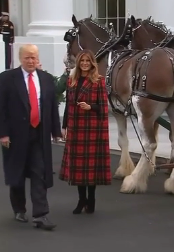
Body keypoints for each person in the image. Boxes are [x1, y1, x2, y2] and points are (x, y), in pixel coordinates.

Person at [0, 44, 62, 230]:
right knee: (17, 173)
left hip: (38, 133)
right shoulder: (7, 78)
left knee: (39, 172)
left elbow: (51, 106)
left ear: (38, 58)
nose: (31, 61)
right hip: (14, 135)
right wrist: (3, 133)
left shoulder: (46, 79)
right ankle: (19, 209)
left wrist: (56, 131)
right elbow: (1, 108)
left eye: (34, 57)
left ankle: (40, 215)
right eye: (27, 57)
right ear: (20, 58)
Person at [59, 49, 111, 215]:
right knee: (79, 166)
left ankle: (92, 199)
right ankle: (81, 200)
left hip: (92, 128)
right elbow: (68, 105)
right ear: (78, 62)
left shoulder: (98, 81)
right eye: (82, 61)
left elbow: (103, 108)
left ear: (92, 63)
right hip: (75, 126)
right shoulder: (71, 80)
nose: (85, 64)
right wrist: (64, 125)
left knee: (91, 166)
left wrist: (91, 107)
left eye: (88, 61)